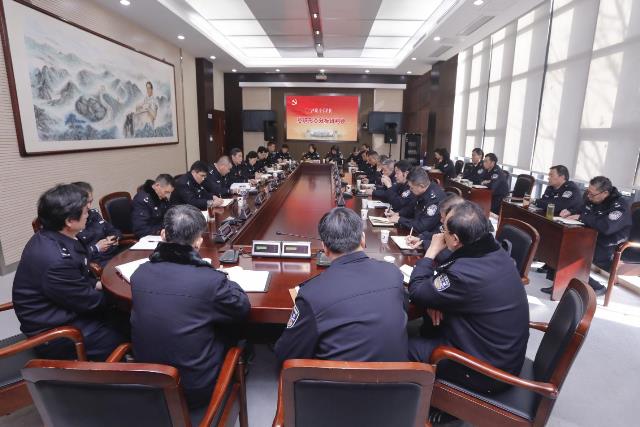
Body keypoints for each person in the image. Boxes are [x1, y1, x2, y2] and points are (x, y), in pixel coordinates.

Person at [131, 204, 250, 409]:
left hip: (148, 381)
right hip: (195, 389)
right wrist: (228, 279)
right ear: (198, 242)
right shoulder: (209, 280)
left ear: (162, 234)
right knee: (234, 329)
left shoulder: (139, 273)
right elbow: (241, 308)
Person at [408, 202, 529, 394]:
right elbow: (453, 278)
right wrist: (436, 299)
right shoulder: (494, 250)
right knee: (427, 327)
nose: (441, 235)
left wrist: (430, 253)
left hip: (485, 371)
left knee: (399, 346)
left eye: (444, 230)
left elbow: (417, 291)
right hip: (501, 354)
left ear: (455, 239)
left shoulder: (464, 274)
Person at [274, 207, 408, 363]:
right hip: (399, 376)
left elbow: (287, 354)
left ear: (324, 248)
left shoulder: (311, 294)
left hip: (337, 379)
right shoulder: (392, 273)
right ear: (363, 239)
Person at [13, 184, 126, 361]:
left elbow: (78, 277)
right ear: (69, 221)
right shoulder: (56, 260)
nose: (89, 213)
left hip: (65, 309)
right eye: (85, 210)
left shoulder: (55, 235)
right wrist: (122, 295)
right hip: (57, 332)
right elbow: (90, 302)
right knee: (127, 331)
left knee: (128, 318)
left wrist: (98, 284)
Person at [544, 176, 632, 295]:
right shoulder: (594, 198)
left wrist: (582, 217)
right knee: (559, 242)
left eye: (592, 194)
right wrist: (571, 212)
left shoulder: (619, 205)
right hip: (591, 237)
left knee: (570, 252)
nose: (588, 196)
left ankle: (596, 287)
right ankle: (560, 280)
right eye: (588, 192)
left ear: (605, 193)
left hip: (609, 244)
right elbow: (582, 209)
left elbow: (606, 227)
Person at [72, 182, 123, 267]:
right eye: (85, 202)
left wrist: (114, 237)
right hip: (97, 264)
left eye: (90, 201)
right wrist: (97, 247)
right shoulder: (71, 224)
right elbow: (75, 257)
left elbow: (113, 230)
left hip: (114, 255)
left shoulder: (94, 214)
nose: (89, 206)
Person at [386, 167, 446, 234]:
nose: (410, 189)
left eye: (411, 187)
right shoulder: (422, 190)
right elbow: (411, 207)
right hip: (415, 230)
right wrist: (398, 214)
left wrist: (400, 220)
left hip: (428, 235)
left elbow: (422, 226)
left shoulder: (435, 200)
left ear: (421, 186)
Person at [132, 174, 174, 238]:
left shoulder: (162, 197)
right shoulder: (142, 200)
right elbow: (141, 230)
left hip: (162, 233)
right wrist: (161, 231)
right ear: (157, 186)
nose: (167, 196)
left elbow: (168, 217)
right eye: (166, 192)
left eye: (170, 193)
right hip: (149, 237)